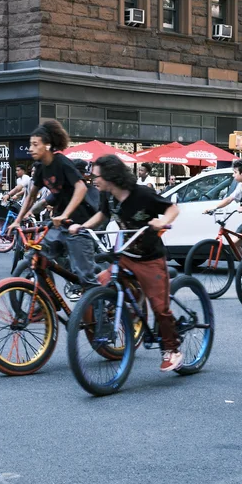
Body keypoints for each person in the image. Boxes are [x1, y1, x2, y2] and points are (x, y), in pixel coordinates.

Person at [72, 154, 182, 371]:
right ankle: (122, 318)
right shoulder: (108, 195)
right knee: (100, 284)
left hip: (150, 259)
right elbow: (103, 214)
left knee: (160, 308)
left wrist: (162, 221)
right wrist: (83, 226)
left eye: (96, 176)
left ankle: (173, 349)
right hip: (125, 255)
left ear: (111, 176)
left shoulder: (142, 193)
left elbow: (172, 209)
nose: (93, 179)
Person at [12, 119, 100, 287]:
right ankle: (44, 303)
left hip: (79, 222)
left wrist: (66, 214)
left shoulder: (61, 161)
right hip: (60, 222)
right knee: (36, 257)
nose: (30, 148)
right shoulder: (41, 167)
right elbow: (31, 196)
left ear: (46, 145)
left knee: (86, 278)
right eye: (30, 144)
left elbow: (81, 188)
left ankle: (99, 306)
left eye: (35, 144)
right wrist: (17, 220)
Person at [204, 159, 242, 247]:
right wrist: (214, 207)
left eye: (235, 172)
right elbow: (229, 199)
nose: (233, 175)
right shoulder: (241, 186)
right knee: (233, 244)